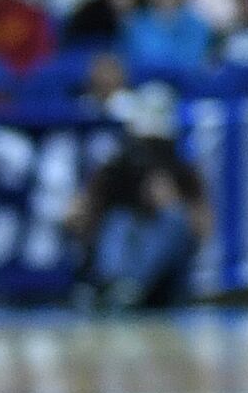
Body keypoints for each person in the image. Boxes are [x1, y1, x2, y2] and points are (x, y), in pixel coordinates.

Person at [67, 88, 206, 309]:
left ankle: (130, 287)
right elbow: (82, 212)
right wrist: (82, 212)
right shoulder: (117, 166)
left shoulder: (182, 170)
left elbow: (202, 229)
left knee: (173, 220)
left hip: (164, 273)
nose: (149, 153)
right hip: (119, 256)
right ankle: (109, 283)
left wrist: (172, 202)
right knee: (119, 219)